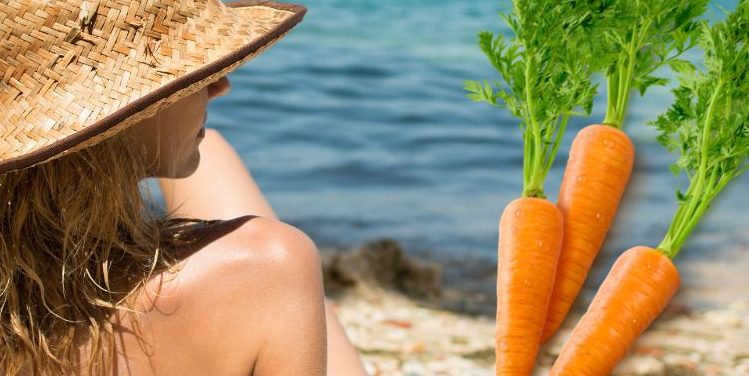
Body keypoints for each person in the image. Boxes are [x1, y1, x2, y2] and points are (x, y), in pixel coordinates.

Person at [0, 0, 367, 375]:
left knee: (212, 151)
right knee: (214, 155)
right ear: (123, 112)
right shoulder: (272, 264)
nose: (220, 86)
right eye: (192, 77)